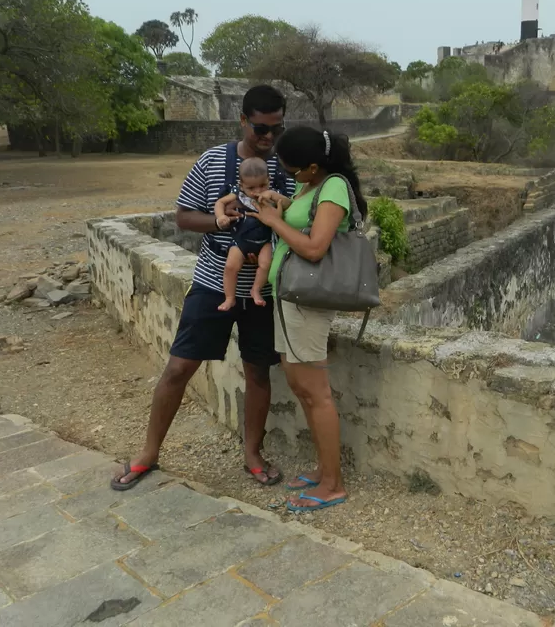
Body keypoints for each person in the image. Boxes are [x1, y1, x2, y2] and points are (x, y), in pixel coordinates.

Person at [111, 84, 294, 491]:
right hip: (215, 281)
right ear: (243, 120)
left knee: (258, 372)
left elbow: (295, 219)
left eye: (276, 130)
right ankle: (148, 454)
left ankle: (252, 455)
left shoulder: (285, 169)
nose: (268, 139)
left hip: (262, 290)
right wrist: (221, 222)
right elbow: (184, 216)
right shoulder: (213, 162)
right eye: (261, 129)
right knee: (179, 367)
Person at [254, 126, 368, 513]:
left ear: (313, 167)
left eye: (292, 172)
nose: (289, 176)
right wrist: (283, 203)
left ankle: (334, 484)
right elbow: (302, 218)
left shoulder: (333, 186)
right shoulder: (311, 184)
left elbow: (315, 247)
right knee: (301, 388)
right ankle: (324, 470)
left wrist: (273, 221)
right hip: (290, 297)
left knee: (315, 393)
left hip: (307, 301)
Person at [214, 157, 274, 310]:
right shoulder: (238, 194)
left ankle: (256, 290)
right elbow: (220, 202)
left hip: (264, 240)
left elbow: (284, 207)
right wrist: (221, 217)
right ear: (242, 186)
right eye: (251, 188)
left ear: (269, 180)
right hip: (241, 239)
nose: (258, 191)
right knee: (230, 266)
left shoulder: (273, 194)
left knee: (266, 264)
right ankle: (229, 297)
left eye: (263, 185)